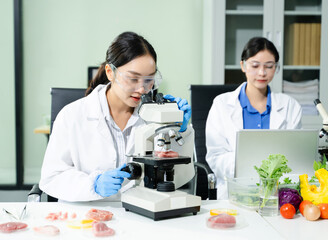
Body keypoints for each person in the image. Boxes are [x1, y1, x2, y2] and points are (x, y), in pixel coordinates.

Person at [39, 32, 191, 202]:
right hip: (87, 217)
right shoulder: (72, 116)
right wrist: (92, 185)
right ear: (110, 72)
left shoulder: (154, 116)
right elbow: (51, 178)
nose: (142, 89)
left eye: (149, 80)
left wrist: (180, 129)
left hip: (141, 213)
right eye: (133, 79)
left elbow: (180, 177)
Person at [205, 37, 302, 199]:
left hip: (276, 195)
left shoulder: (290, 106)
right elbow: (216, 157)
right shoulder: (222, 104)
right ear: (243, 65)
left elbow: (295, 155)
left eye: (269, 66)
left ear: (276, 68)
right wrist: (257, 166)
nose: (262, 73)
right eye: (255, 65)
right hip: (234, 193)